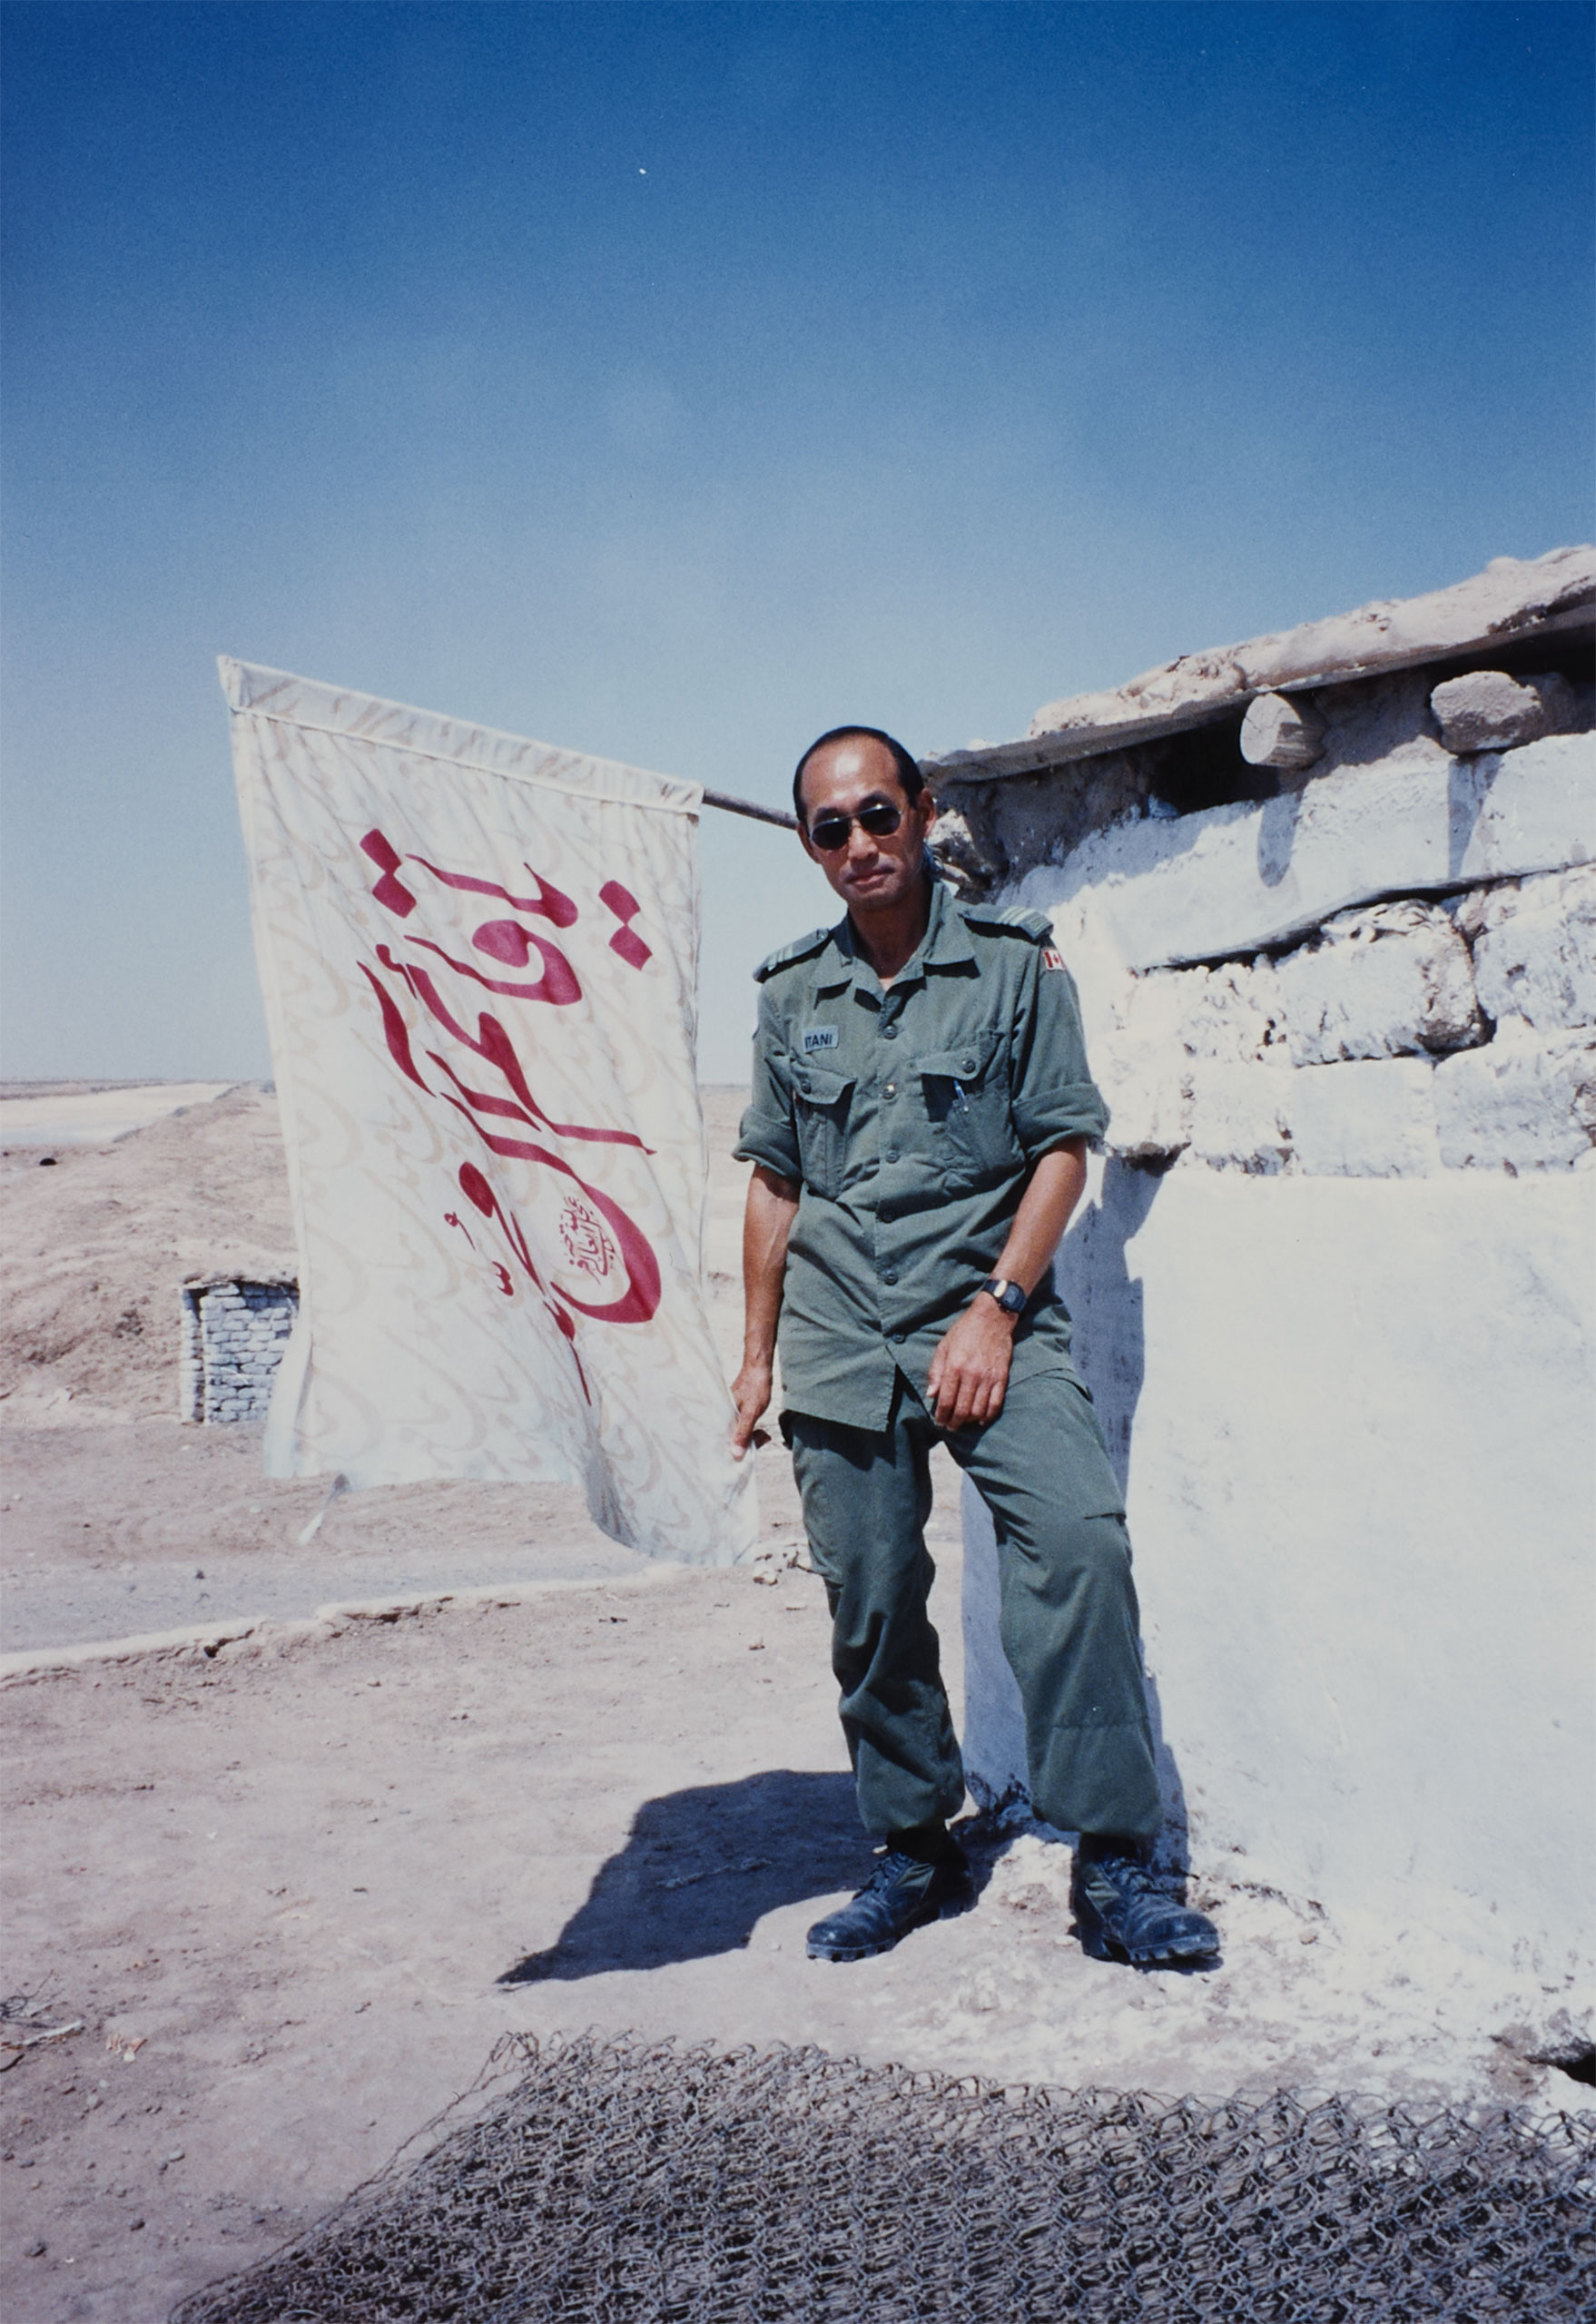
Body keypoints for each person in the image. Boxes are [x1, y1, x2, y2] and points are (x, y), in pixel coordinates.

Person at [730, 725, 1219, 1970]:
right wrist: (752, 1355)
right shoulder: (788, 993)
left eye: (876, 815)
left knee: (1076, 1549)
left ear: (921, 810)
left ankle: (1113, 1863)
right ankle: (911, 1849)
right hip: (840, 1333)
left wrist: (997, 1306)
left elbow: (1063, 1146)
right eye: (828, 829)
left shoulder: (1012, 967)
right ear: (807, 844)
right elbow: (773, 1182)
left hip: (987, 1318)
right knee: (871, 1603)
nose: (857, 846)